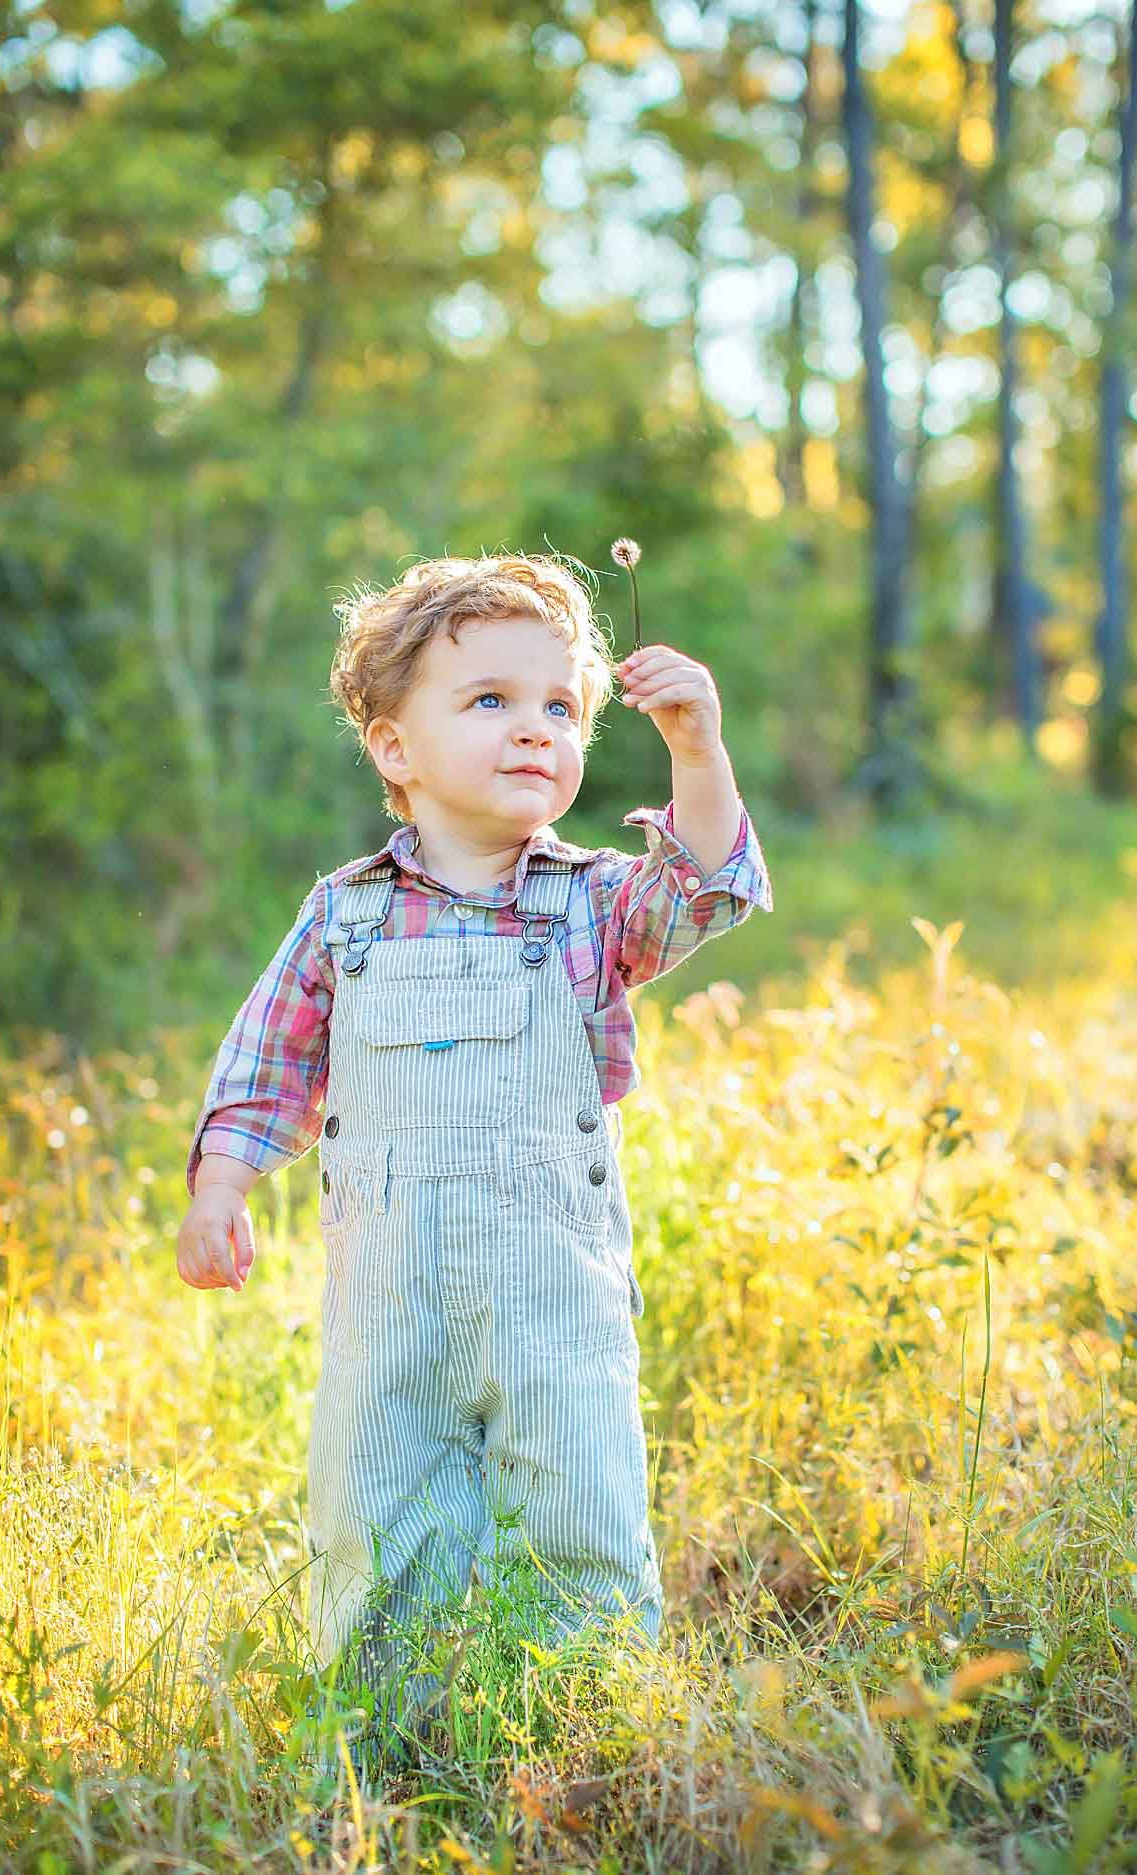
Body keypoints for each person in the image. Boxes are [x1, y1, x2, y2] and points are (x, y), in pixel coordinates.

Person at [174, 551, 772, 1675]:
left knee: (577, 1501)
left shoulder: (593, 900)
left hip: (554, 1284)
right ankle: (375, 1730)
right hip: (388, 1288)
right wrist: (221, 1185)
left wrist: (700, 751)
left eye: (560, 705)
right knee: (378, 1502)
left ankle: (589, 1715)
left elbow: (705, 889)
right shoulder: (344, 916)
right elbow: (268, 1059)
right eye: (490, 701)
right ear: (394, 746)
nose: (534, 728)